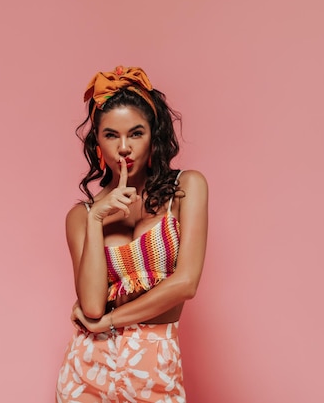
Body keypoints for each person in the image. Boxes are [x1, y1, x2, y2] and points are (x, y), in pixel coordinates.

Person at [56, 66, 208, 403]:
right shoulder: (81, 216)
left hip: (155, 368)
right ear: (97, 142)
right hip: (88, 372)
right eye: (111, 135)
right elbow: (93, 306)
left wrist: (110, 321)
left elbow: (186, 283)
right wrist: (96, 219)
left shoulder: (186, 188)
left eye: (135, 133)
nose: (124, 148)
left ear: (154, 135)